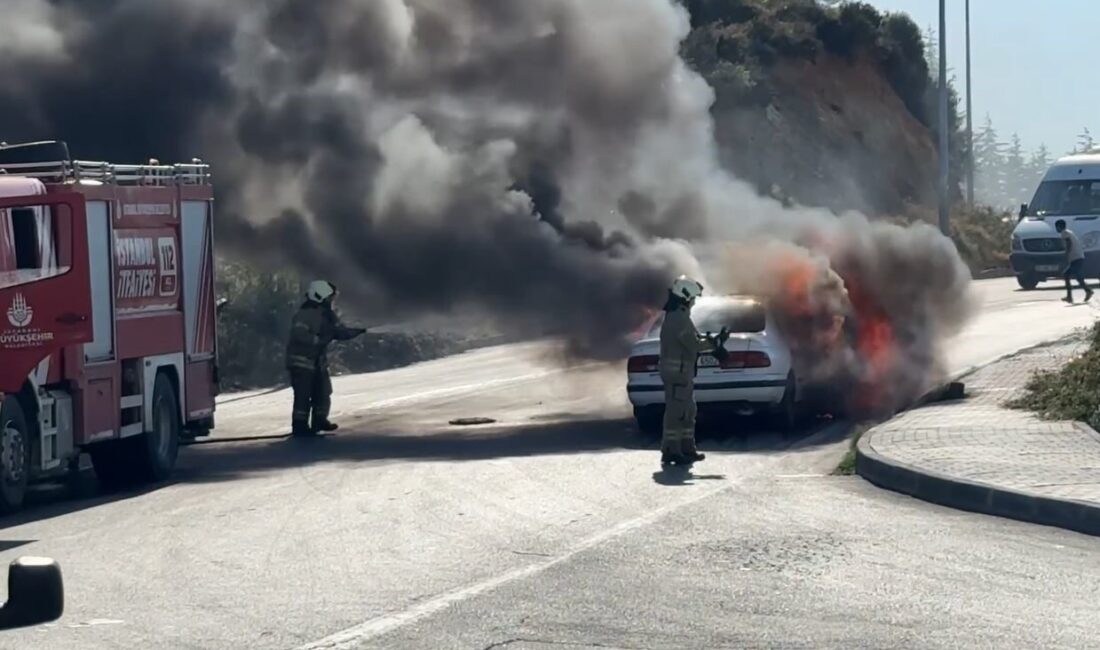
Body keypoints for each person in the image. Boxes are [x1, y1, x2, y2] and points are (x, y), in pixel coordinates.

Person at [658, 275, 728, 467]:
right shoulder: (678, 318)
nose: (694, 301)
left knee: (688, 411)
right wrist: (715, 344)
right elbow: (693, 344)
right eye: (693, 298)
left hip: (683, 373)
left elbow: (693, 341)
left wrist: (715, 342)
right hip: (677, 374)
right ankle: (671, 450)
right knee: (676, 412)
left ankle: (687, 448)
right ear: (686, 296)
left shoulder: (680, 316)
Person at [285, 280, 366, 437]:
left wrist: (356, 332)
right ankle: (300, 426)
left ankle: (319, 421)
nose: (332, 301)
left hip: (317, 361)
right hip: (301, 361)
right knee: (303, 394)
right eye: (330, 298)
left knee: (323, 391)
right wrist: (318, 340)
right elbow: (299, 335)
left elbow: (339, 331)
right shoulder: (305, 314)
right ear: (319, 296)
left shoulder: (327, 314)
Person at [1055, 219, 1093, 304]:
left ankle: (1073, 296)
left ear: (1059, 227)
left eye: (1056, 227)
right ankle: (1085, 291)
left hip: (1076, 258)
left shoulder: (1064, 233)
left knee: (1068, 275)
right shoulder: (1068, 232)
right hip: (1078, 257)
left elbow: (1069, 243)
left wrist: (1066, 254)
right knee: (1073, 276)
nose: (1056, 229)